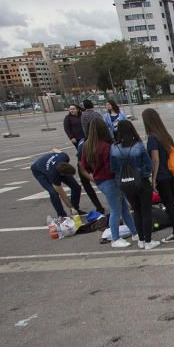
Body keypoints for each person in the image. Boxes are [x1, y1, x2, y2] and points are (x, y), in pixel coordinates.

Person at [81, 120, 136, 248]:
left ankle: (134, 232)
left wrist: (93, 175)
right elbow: (112, 167)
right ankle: (115, 238)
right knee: (116, 210)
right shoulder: (106, 146)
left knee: (122, 208)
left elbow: (84, 165)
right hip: (111, 180)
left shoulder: (87, 145)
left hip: (100, 180)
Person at [143, 108, 174, 243]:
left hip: (162, 175)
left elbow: (155, 160)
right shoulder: (165, 134)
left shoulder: (152, 137)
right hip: (172, 172)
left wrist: (153, 179)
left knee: (169, 203)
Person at [111, 121, 157, 250]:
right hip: (141, 181)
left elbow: (113, 168)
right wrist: (144, 174)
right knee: (146, 211)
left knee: (136, 211)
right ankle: (148, 241)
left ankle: (141, 239)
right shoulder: (138, 146)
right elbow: (149, 165)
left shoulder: (114, 148)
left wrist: (121, 177)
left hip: (125, 183)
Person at [64, 103, 106, 214]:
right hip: (91, 162)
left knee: (87, 183)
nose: (71, 110)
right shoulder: (104, 142)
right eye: (70, 109)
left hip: (85, 161)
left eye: (73, 108)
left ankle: (99, 206)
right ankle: (100, 206)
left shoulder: (84, 143)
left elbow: (80, 163)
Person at [30, 149, 82, 218]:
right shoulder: (53, 175)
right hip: (38, 170)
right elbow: (63, 195)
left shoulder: (64, 156)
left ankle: (76, 209)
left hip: (53, 164)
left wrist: (51, 156)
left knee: (76, 187)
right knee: (53, 193)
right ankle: (61, 215)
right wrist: (71, 207)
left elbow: (54, 149)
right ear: (62, 174)